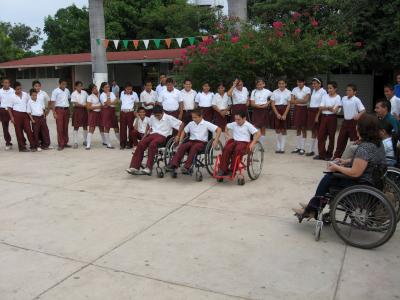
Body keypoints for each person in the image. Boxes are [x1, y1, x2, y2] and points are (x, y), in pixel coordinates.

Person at [292, 114, 387, 220]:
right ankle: (313, 205)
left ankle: (312, 209)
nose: (356, 127)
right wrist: (345, 161)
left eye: (357, 125)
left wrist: (337, 168)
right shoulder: (377, 143)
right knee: (332, 175)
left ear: (362, 129)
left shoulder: (364, 148)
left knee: (329, 177)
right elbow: (367, 161)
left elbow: (355, 172)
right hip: (372, 181)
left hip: (362, 184)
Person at [126, 105, 184, 175]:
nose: (157, 117)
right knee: (141, 143)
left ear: (162, 112)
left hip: (163, 136)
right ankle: (134, 167)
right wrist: (145, 134)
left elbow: (181, 124)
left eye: (158, 115)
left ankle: (148, 167)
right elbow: (148, 124)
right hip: (152, 134)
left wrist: (178, 136)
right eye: (155, 115)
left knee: (152, 144)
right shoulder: (153, 117)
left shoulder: (169, 118)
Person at [166, 109, 222, 174]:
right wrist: (181, 141)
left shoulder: (206, 124)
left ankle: (187, 167)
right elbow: (184, 131)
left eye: (195, 117)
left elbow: (219, 129)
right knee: (183, 146)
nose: (194, 119)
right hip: (191, 141)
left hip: (201, 143)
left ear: (201, 116)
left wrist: (216, 140)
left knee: (195, 147)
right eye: (193, 117)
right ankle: (173, 165)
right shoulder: (191, 124)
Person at [218, 110, 261, 176]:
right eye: (235, 119)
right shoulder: (234, 123)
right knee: (226, 149)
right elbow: (226, 126)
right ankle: (223, 169)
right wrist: (227, 135)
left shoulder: (248, 125)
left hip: (244, 143)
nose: (237, 121)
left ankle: (232, 170)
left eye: (239, 119)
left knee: (237, 150)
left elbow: (258, 133)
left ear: (244, 118)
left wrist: (253, 143)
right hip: (235, 141)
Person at [333, 84, 366, 159]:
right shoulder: (344, 98)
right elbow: (339, 105)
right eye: (347, 90)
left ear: (355, 92)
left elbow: (363, 110)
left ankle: (352, 158)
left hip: (353, 122)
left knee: (354, 140)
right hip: (345, 121)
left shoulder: (356, 100)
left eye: (350, 90)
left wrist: (358, 115)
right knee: (341, 139)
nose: (347, 91)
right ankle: (337, 156)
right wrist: (336, 108)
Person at [314, 81, 341, 161]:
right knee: (321, 136)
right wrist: (329, 107)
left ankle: (329, 155)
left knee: (331, 136)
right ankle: (321, 154)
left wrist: (327, 108)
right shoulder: (325, 96)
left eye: (331, 88)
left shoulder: (338, 97)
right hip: (324, 117)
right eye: (328, 88)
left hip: (332, 118)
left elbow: (335, 110)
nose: (329, 90)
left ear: (335, 89)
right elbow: (320, 107)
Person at [7, 82, 35, 152]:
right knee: (18, 132)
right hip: (16, 114)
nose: (19, 90)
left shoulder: (26, 94)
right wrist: (12, 117)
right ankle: (22, 147)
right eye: (17, 89)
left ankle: (33, 146)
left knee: (28, 130)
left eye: (20, 88)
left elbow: (30, 103)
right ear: (14, 89)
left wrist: (31, 114)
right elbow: (9, 108)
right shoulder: (11, 96)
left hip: (25, 114)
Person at [305, 78, 326, 157]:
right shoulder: (313, 90)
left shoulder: (323, 92)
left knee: (318, 132)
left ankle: (319, 152)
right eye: (312, 84)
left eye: (315, 84)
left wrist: (317, 115)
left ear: (320, 84)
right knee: (313, 131)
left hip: (318, 112)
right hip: (311, 111)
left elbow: (321, 104)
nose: (313, 85)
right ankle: (311, 150)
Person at [271, 78, 292, 153]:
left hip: (285, 110)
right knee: (277, 129)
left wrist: (285, 114)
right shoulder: (274, 92)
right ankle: (278, 147)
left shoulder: (289, 92)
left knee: (284, 129)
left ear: (285, 84)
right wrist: (277, 114)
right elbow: (272, 104)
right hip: (276, 110)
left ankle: (282, 148)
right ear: (278, 84)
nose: (281, 85)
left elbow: (289, 104)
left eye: (283, 83)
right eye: (280, 83)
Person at [291, 78, 311, 155]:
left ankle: (302, 148)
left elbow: (306, 100)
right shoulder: (294, 89)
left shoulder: (307, 89)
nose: (299, 83)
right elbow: (292, 101)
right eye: (298, 82)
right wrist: (299, 100)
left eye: (301, 82)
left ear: (304, 82)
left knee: (303, 128)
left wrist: (296, 100)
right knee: (297, 127)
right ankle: (298, 147)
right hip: (297, 109)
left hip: (304, 109)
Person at [50, 78, 71, 151]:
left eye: (65, 84)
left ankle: (65, 142)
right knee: (60, 127)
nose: (64, 85)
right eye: (63, 84)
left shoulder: (67, 90)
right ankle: (60, 144)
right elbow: (53, 102)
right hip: (59, 110)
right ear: (59, 84)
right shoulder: (55, 91)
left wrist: (69, 110)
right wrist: (54, 112)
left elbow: (68, 99)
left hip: (66, 109)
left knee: (65, 127)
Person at [250, 78, 272, 145]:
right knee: (254, 127)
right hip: (256, 109)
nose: (259, 86)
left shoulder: (267, 91)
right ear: (256, 85)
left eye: (261, 84)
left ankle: (261, 144)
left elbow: (273, 96)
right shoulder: (253, 92)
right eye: (258, 85)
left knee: (263, 127)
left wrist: (267, 103)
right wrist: (260, 106)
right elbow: (252, 103)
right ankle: (255, 142)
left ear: (264, 84)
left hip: (264, 110)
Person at [99, 81, 120, 149]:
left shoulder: (112, 93)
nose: (107, 88)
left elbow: (116, 101)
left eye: (108, 87)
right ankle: (108, 143)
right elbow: (107, 103)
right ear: (102, 88)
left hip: (112, 111)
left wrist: (110, 103)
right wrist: (108, 97)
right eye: (106, 87)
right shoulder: (102, 95)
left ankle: (121, 141)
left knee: (116, 127)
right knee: (107, 127)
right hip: (106, 112)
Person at [119, 82, 139, 150]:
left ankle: (130, 144)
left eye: (130, 89)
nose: (129, 90)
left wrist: (135, 111)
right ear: (125, 89)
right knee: (122, 129)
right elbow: (121, 102)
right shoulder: (122, 93)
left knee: (131, 128)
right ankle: (122, 144)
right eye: (127, 89)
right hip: (123, 112)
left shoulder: (135, 94)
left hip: (130, 112)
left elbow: (136, 103)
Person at [32, 80, 51, 149]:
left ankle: (45, 144)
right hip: (34, 114)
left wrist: (48, 110)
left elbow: (49, 101)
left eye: (38, 86)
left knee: (44, 129)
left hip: (42, 113)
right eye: (35, 86)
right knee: (36, 130)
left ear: (40, 86)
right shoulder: (30, 94)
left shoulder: (43, 93)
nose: (37, 87)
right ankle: (37, 144)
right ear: (33, 87)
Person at [71, 81, 88, 149]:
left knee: (85, 125)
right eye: (78, 86)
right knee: (76, 126)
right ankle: (75, 142)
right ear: (75, 87)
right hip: (77, 110)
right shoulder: (73, 94)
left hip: (84, 111)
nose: (80, 87)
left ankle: (85, 140)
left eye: (81, 86)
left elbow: (88, 99)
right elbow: (75, 103)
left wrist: (87, 104)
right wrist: (84, 105)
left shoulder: (84, 92)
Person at [86, 83, 103, 150]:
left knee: (101, 127)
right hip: (93, 113)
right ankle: (88, 144)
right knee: (92, 128)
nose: (96, 89)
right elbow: (88, 107)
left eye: (96, 88)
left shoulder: (100, 95)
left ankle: (104, 141)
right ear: (91, 90)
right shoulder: (90, 97)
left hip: (100, 113)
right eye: (94, 88)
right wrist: (99, 106)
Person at [0, 78, 15, 150]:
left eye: (8, 82)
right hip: (3, 110)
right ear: (2, 83)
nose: (7, 84)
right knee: (5, 128)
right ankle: (8, 142)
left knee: (18, 126)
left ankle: (23, 140)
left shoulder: (13, 91)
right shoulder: (0, 91)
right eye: (5, 83)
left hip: (12, 110)